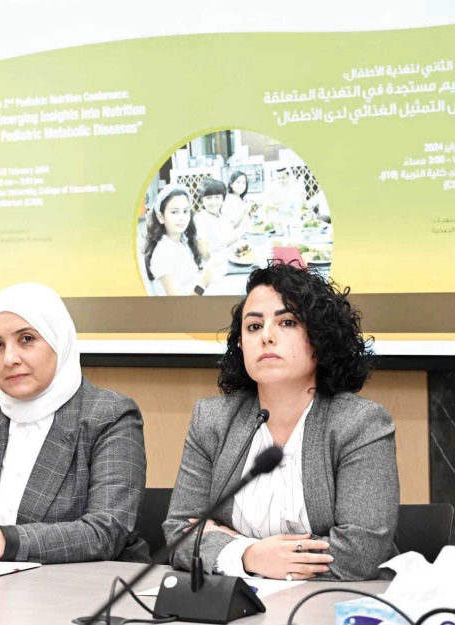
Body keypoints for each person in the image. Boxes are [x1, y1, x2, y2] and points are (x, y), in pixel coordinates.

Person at [164, 262, 398, 581]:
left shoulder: (359, 423)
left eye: (287, 322)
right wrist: (249, 555)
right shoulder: (213, 419)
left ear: (319, 338)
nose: (267, 337)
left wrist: (236, 548)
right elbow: (180, 532)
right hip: (236, 606)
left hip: (332, 605)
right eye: (254, 327)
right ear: (240, 344)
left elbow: (361, 553)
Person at [0, 283, 149, 565]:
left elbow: (106, 531)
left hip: (76, 592)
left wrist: (2, 542)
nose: (10, 359)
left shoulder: (108, 415)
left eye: (26, 339)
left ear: (59, 341)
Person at [142, 184, 219, 296]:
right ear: (161, 217)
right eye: (174, 212)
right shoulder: (162, 253)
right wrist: (203, 282)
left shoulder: (183, 241)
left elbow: (190, 277)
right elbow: (179, 306)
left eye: (185, 211)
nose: (182, 217)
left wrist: (207, 257)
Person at [194, 178, 246, 251]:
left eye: (217, 197)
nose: (213, 202)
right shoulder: (200, 219)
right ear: (202, 200)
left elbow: (232, 236)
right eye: (209, 198)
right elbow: (205, 250)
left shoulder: (223, 217)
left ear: (223, 199)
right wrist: (230, 240)